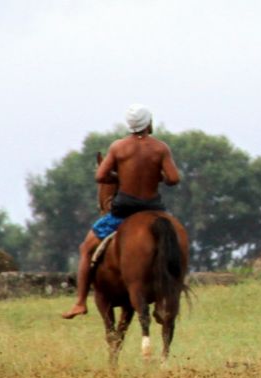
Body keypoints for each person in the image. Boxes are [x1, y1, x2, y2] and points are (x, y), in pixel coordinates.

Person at [61, 104, 181, 319]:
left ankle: (79, 302)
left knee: (86, 248)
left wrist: (121, 177)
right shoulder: (161, 148)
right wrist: (155, 175)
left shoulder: (118, 148)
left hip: (123, 211)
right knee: (175, 244)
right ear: (148, 123)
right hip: (153, 209)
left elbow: (100, 176)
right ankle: (169, 296)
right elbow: (173, 179)